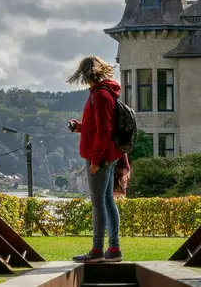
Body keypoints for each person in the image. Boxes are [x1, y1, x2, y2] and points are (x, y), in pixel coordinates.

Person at [66, 55, 124, 263]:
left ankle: (97, 250)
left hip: (100, 156)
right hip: (109, 154)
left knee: (99, 203)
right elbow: (98, 127)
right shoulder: (106, 93)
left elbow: (104, 130)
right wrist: (80, 127)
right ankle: (114, 249)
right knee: (108, 201)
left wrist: (96, 160)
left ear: (86, 74)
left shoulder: (100, 95)